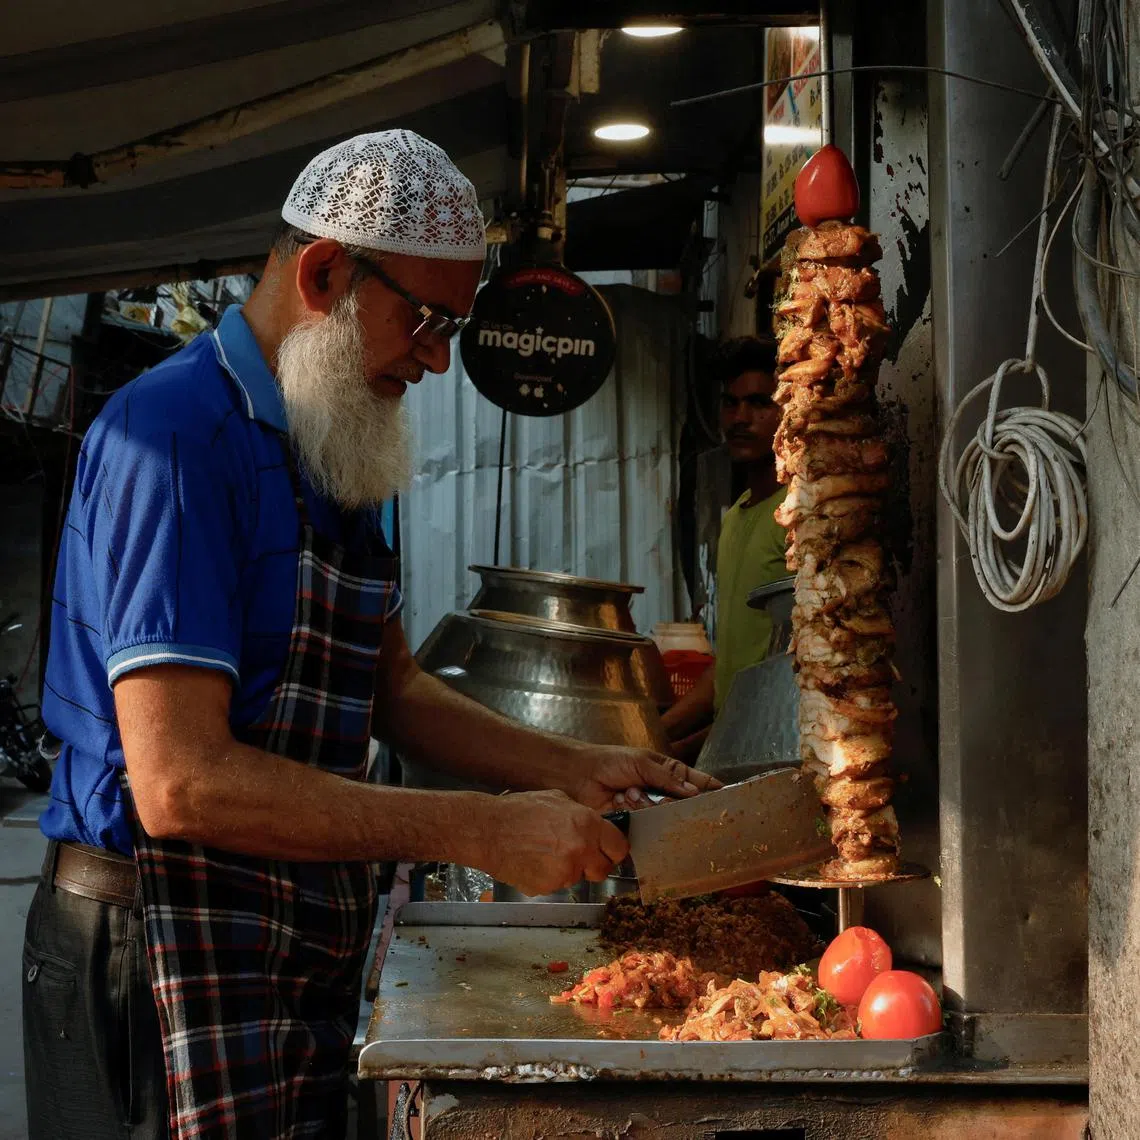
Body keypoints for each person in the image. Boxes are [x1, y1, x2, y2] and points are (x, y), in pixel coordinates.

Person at [23, 130, 716, 1140]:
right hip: (155, 944)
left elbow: (388, 685)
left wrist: (574, 766)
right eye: (427, 321)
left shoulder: (324, 431)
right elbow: (181, 785)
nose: (439, 360)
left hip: (287, 931)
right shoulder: (172, 442)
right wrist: (476, 828)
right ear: (323, 273)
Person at [661, 337, 788, 758]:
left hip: (775, 746)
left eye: (758, 403)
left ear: (791, 410)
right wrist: (650, 733)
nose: (740, 418)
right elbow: (728, 667)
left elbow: (794, 669)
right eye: (730, 404)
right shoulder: (734, 517)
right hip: (731, 745)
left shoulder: (798, 516)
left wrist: (701, 745)